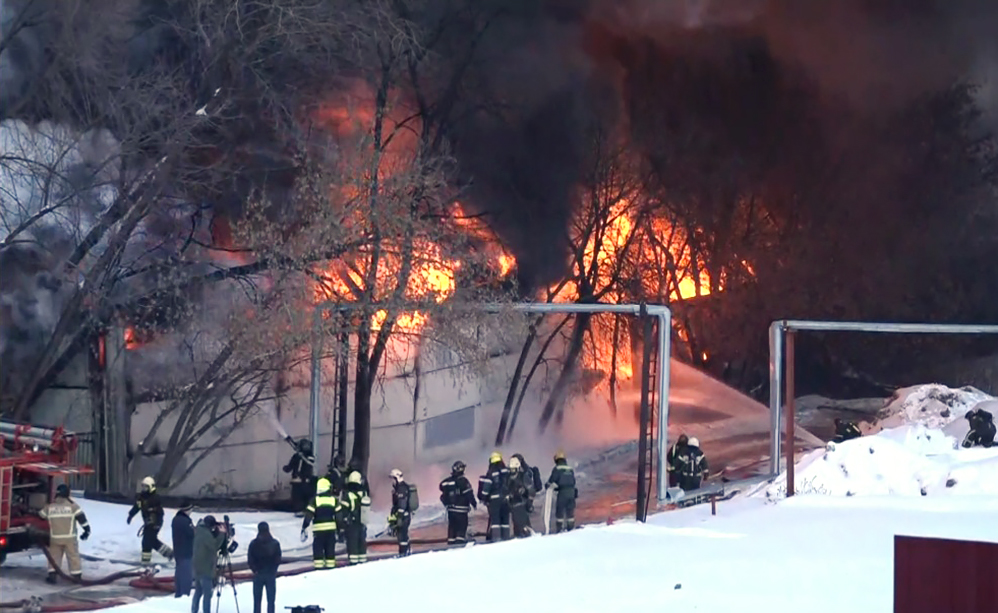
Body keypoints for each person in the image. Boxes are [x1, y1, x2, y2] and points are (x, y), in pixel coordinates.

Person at [39, 484, 91, 584]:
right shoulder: (73, 506)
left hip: (55, 538)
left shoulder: (50, 507)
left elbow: (41, 515)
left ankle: (52, 576)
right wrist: (86, 530)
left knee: (54, 557)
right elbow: (82, 519)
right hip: (69, 538)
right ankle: (76, 577)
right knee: (73, 557)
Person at [126, 476, 173, 565]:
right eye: (143, 486)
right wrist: (130, 515)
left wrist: (154, 521)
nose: (144, 489)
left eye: (146, 487)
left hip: (156, 523)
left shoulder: (155, 498)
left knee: (147, 541)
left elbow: (159, 512)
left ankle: (146, 561)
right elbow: (137, 507)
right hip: (147, 523)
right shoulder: (141, 498)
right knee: (151, 540)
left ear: (151, 487)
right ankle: (169, 553)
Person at [302, 477, 340, 569]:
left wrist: (304, 526)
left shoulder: (315, 500)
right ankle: (330, 567)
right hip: (331, 530)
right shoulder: (334, 500)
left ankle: (318, 569)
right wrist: (340, 529)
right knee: (330, 549)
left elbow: (308, 515)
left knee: (318, 549)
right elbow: (339, 517)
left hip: (318, 531)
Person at [191, 515, 226, 613]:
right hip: (205, 568)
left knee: (198, 592)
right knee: (207, 594)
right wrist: (222, 535)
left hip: (198, 567)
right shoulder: (205, 534)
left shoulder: (199, 530)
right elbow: (214, 545)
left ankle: (194, 610)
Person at [438, 460, 476, 546]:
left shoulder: (447, 481)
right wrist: (474, 503)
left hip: (451, 510)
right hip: (461, 510)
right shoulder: (463, 481)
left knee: (452, 527)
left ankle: (451, 544)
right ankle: (459, 545)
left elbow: (441, 487)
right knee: (461, 528)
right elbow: (469, 493)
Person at [248, 521, 282, 613]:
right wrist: (273, 570)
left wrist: (255, 570)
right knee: (271, 601)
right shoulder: (275, 543)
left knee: (257, 601)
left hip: (258, 575)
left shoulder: (254, 544)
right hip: (270, 575)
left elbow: (250, 559)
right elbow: (278, 559)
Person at [478, 451, 511, 542]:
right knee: (505, 519)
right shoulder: (507, 471)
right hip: (506, 498)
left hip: (494, 500)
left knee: (495, 520)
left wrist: (483, 498)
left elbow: (487, 486)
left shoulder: (491, 472)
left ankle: (497, 539)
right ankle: (506, 538)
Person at [341, 471, 369, 564]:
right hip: (362, 523)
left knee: (352, 545)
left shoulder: (347, 494)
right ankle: (362, 562)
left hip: (352, 524)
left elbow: (343, 510)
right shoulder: (364, 493)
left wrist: (341, 524)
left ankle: (353, 564)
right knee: (361, 543)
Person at [546, 450, 577, 533]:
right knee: (570, 513)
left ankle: (559, 530)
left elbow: (552, 481)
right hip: (572, 493)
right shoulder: (570, 469)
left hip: (563, 494)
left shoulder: (557, 469)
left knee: (560, 512)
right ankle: (571, 529)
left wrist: (548, 486)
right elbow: (573, 481)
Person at [283, 438, 316, 515]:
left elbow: (289, 468)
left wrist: (285, 468)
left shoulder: (304, 457)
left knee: (298, 500)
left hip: (299, 483)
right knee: (303, 500)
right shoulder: (301, 456)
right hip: (305, 483)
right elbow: (289, 467)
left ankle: (300, 511)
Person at [171, 500, 195, 598]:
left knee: (179, 573)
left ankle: (179, 593)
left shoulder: (175, 519)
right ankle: (184, 595)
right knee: (186, 575)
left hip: (178, 551)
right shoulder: (185, 521)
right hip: (186, 552)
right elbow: (191, 534)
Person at [387, 468, 412, 557]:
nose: (392, 482)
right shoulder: (399, 488)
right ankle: (406, 552)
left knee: (402, 536)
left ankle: (403, 554)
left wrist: (400, 518)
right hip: (402, 516)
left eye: (393, 479)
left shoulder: (401, 488)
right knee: (402, 535)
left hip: (403, 516)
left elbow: (402, 504)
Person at [507, 456, 534, 537]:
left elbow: (531, 490)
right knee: (516, 525)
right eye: (511, 469)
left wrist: (529, 502)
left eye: (514, 469)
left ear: (518, 468)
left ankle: (528, 536)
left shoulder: (523, 476)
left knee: (524, 525)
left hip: (522, 504)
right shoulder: (508, 478)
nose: (512, 471)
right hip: (513, 505)